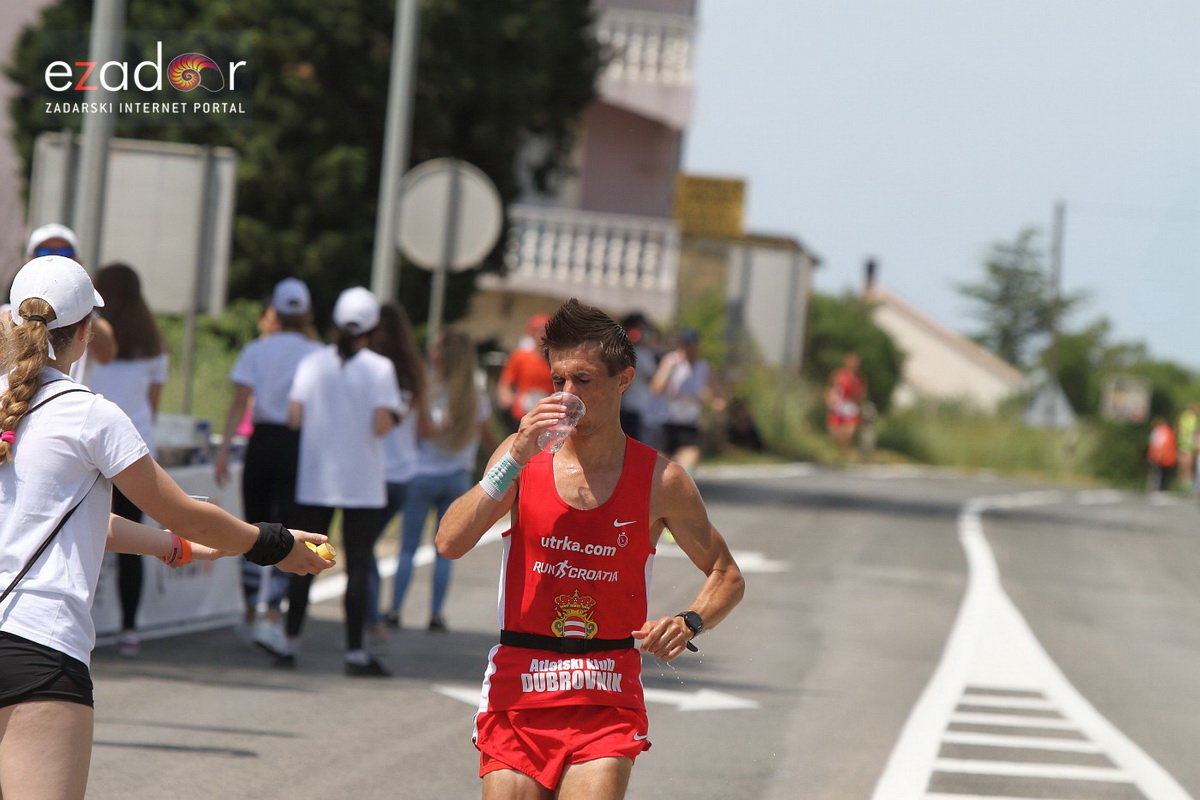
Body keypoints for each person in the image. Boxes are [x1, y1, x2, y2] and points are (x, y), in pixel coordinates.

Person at [0, 256, 331, 799]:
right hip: (41, 646)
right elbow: (180, 508)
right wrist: (273, 543)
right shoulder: (91, 415)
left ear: (12, 320)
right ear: (86, 332)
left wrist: (174, 549)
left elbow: (82, 521)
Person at [436, 298, 744, 800]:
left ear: (624, 379)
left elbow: (727, 574)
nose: (566, 394)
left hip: (605, 691)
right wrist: (514, 455)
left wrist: (689, 621)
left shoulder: (662, 481)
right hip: (521, 687)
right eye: (557, 380)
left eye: (583, 379)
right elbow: (449, 541)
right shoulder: (522, 459)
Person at [283, 287, 402, 675]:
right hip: (362, 481)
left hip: (315, 477)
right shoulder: (380, 368)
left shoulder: (313, 362)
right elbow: (381, 425)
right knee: (359, 564)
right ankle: (354, 652)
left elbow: (294, 417)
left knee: (302, 560)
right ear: (372, 326)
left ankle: (289, 642)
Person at [213, 279, 321, 657]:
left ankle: (249, 609)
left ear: (274, 311)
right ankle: (273, 611)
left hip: (261, 442)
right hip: (299, 446)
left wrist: (225, 448)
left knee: (253, 525)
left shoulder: (258, 349)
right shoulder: (318, 353)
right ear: (306, 313)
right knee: (289, 524)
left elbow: (239, 401)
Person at [387, 329, 495, 632]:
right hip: (458, 478)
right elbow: (489, 441)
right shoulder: (475, 396)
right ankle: (435, 614)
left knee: (408, 548)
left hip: (422, 475)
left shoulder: (427, 391)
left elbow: (418, 433)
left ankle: (394, 609)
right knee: (445, 551)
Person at [89, 263, 170, 657]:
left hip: (89, 445)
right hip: (135, 449)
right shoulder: (153, 346)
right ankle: (129, 629)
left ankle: (84, 620)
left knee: (84, 532)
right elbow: (152, 409)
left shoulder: (88, 336)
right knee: (134, 539)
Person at [368, 302, 427, 635]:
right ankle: (371, 615)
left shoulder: (373, 370)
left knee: (362, 547)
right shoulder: (411, 371)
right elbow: (420, 429)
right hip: (405, 471)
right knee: (367, 546)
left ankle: (373, 620)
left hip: (375, 471)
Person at [23, 224, 117, 385]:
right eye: (44, 253)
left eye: (64, 254)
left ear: (78, 262)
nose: (54, 261)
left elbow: (107, 354)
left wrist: (81, 303)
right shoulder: (6, 316)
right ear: (28, 261)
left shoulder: (91, 319)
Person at [649, 327, 721, 474]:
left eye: (693, 344)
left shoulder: (704, 366)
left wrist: (716, 402)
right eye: (686, 344)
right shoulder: (671, 361)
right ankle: (660, 489)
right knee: (662, 463)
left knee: (691, 456)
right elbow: (656, 388)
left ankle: (683, 486)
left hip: (689, 419)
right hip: (668, 419)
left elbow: (715, 390)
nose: (689, 348)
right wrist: (669, 370)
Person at [496, 313, 554, 433]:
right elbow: (505, 383)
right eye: (539, 330)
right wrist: (506, 397)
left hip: (548, 413)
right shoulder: (520, 357)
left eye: (546, 330)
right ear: (532, 333)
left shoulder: (556, 360)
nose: (542, 335)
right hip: (522, 412)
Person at [618, 312, 659, 445]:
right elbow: (654, 380)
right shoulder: (637, 353)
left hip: (639, 407)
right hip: (633, 406)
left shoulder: (642, 352)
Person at [825, 351, 868, 462]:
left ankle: (845, 454)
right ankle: (837, 451)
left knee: (849, 431)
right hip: (839, 405)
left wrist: (861, 409)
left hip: (851, 406)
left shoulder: (860, 379)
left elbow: (862, 395)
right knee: (835, 432)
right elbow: (830, 388)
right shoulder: (839, 375)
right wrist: (831, 400)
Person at [1147, 416, 1177, 492]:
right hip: (1166, 457)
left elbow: (1156, 444)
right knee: (1163, 475)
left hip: (1161, 456)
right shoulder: (1167, 430)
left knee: (1159, 474)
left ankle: (1158, 488)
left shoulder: (1159, 431)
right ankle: (1161, 488)